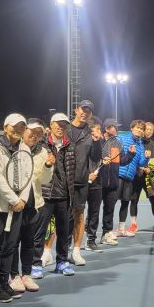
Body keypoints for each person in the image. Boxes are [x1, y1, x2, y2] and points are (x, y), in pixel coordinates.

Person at [0, 113, 32, 302]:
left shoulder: (24, 148)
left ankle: (5, 284)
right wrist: (13, 199)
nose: (18, 130)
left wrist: (22, 200)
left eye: (22, 127)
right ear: (5, 128)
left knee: (10, 247)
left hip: (18, 207)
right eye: (14, 126)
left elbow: (28, 176)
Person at [8, 119, 55, 294]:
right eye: (32, 132)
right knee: (13, 242)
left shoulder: (43, 152)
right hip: (15, 203)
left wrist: (48, 165)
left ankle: (26, 275)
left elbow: (45, 180)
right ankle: (14, 276)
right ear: (24, 130)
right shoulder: (14, 148)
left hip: (34, 203)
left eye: (39, 134)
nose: (35, 136)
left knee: (29, 242)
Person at [32, 112, 76, 277]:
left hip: (64, 195)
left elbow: (71, 171)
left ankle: (62, 262)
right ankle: (35, 264)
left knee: (64, 232)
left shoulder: (70, 145)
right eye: (58, 124)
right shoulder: (41, 144)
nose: (61, 127)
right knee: (39, 231)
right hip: (45, 194)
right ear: (50, 126)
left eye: (64, 125)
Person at [65, 99, 102, 266]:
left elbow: (95, 157)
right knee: (59, 217)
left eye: (88, 111)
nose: (84, 113)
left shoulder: (90, 132)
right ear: (76, 110)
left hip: (81, 181)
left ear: (90, 114)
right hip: (62, 181)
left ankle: (76, 251)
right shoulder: (64, 128)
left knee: (79, 216)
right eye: (82, 109)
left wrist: (97, 142)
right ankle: (51, 251)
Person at [95, 118, 135, 246]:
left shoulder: (117, 143)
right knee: (94, 210)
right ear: (107, 129)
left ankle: (106, 234)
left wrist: (130, 154)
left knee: (109, 210)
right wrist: (101, 161)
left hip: (112, 182)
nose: (117, 129)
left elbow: (122, 161)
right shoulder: (98, 141)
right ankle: (90, 237)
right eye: (114, 127)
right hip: (98, 182)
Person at [129, 121, 154, 233]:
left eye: (151, 130)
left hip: (149, 178)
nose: (149, 131)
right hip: (136, 177)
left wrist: (151, 168)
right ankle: (133, 224)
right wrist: (139, 168)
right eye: (147, 129)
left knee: (153, 199)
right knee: (134, 200)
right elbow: (132, 159)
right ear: (143, 130)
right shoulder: (136, 143)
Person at [116, 120, 146, 237]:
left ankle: (121, 229)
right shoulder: (122, 138)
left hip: (129, 178)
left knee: (125, 203)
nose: (139, 130)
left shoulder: (141, 146)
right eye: (137, 128)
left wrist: (146, 158)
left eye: (141, 129)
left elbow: (141, 163)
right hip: (118, 175)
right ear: (132, 128)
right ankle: (107, 231)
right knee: (111, 203)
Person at [84, 117, 105, 251]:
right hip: (81, 182)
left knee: (94, 213)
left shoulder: (99, 141)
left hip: (96, 183)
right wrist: (86, 175)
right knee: (75, 213)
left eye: (99, 129)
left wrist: (96, 141)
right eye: (97, 128)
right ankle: (68, 242)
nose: (99, 131)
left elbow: (96, 157)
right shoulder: (81, 141)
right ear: (90, 129)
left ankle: (91, 240)